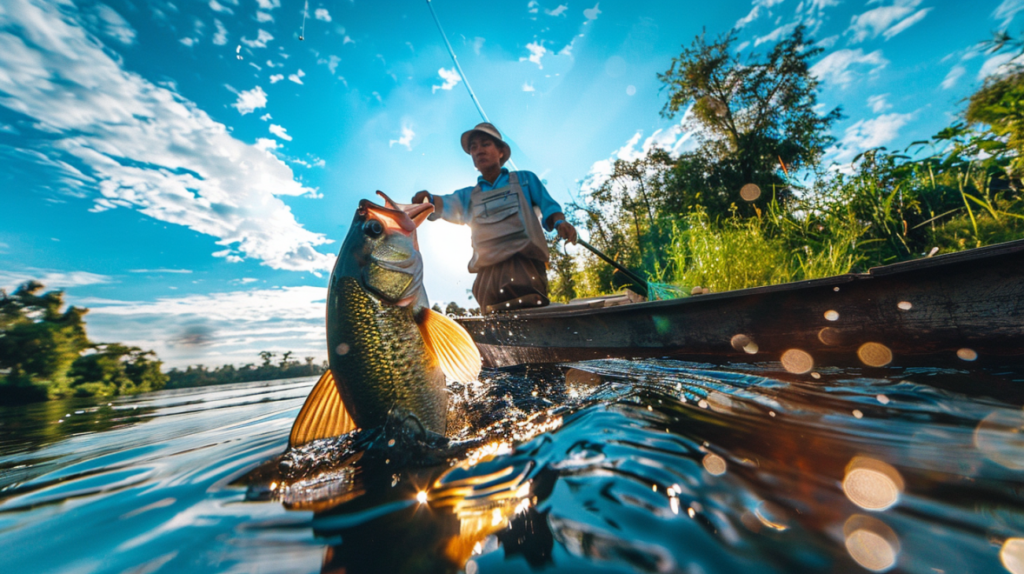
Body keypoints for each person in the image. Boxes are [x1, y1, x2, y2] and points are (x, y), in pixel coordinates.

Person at [412, 122, 578, 312]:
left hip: (526, 269)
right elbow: (442, 204)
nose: (479, 150)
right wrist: (427, 200)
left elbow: (549, 207)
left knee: (532, 314)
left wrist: (560, 222)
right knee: (495, 323)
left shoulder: (525, 180)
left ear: (501, 152)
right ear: (473, 160)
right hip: (487, 278)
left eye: (485, 144)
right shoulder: (468, 196)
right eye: (473, 147)